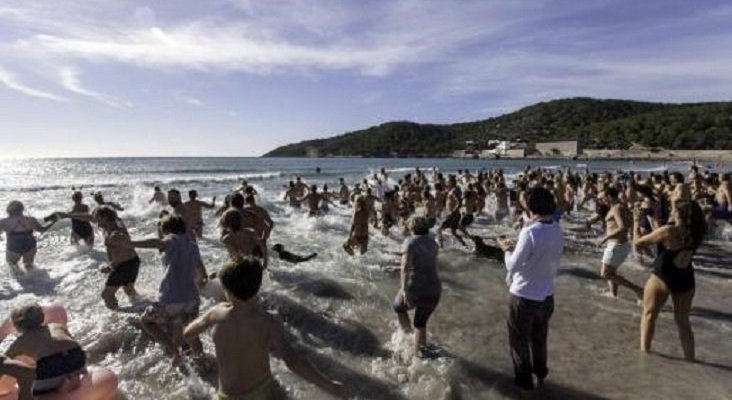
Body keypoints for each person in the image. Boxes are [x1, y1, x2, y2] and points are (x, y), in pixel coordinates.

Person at [183, 258, 350, 399]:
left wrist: (201, 355)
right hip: (263, 391)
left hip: (226, 396)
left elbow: (188, 333)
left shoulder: (215, 314)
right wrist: (329, 385)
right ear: (257, 287)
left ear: (227, 290)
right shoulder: (270, 321)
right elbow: (292, 361)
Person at [498, 188, 564, 391]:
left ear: (531, 206)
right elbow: (544, 255)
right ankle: (541, 377)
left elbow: (513, 266)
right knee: (539, 340)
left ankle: (525, 385)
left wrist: (506, 249)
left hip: (524, 296)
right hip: (546, 295)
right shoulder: (557, 228)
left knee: (519, 343)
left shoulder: (530, 231)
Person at [633, 201, 705, 361]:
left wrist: (636, 222)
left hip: (663, 274)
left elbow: (638, 242)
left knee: (649, 315)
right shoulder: (698, 232)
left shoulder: (669, 231)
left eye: (674, 210)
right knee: (683, 322)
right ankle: (691, 361)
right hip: (686, 277)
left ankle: (644, 358)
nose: (671, 211)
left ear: (680, 214)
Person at [130, 215, 206, 365]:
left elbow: (158, 243)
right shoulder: (192, 245)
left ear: (166, 230)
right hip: (192, 298)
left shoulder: (171, 239)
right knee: (191, 333)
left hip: (170, 298)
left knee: (146, 321)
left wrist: (130, 243)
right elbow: (201, 274)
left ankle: (174, 351)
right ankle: (203, 361)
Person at [59, 206, 140, 309]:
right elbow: (88, 217)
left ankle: (118, 317)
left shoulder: (115, 233)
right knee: (129, 290)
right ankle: (141, 307)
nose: (94, 220)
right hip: (132, 262)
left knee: (106, 295)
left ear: (104, 217)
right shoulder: (110, 222)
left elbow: (124, 252)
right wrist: (67, 215)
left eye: (96, 218)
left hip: (124, 264)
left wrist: (110, 266)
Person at [3, 304, 87, 397]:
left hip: (49, 378)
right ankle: (69, 382)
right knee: (63, 357)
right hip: (77, 367)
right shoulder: (57, 326)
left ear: (17, 327)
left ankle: (54, 388)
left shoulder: (20, 342)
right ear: (42, 317)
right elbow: (71, 342)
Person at [393, 216, 441, 355]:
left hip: (417, 286)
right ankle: (419, 353)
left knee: (398, 306)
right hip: (434, 287)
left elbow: (405, 267)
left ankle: (408, 338)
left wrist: (404, 290)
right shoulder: (433, 242)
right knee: (420, 323)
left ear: (411, 227)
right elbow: (425, 263)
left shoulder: (410, 242)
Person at [597, 187, 643, 299]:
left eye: (603, 198)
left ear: (609, 196)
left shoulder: (616, 209)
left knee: (605, 274)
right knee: (611, 272)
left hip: (616, 244)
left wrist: (606, 237)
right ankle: (613, 293)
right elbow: (630, 222)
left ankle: (638, 289)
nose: (602, 201)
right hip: (621, 244)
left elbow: (622, 227)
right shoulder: (622, 206)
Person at [0, 201, 57, 270]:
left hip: (14, 244)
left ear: (9, 209)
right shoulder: (31, 219)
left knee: (13, 265)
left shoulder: (4, 221)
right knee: (29, 265)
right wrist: (53, 221)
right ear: (22, 209)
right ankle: (34, 279)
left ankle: (20, 279)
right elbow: (42, 229)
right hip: (29, 243)